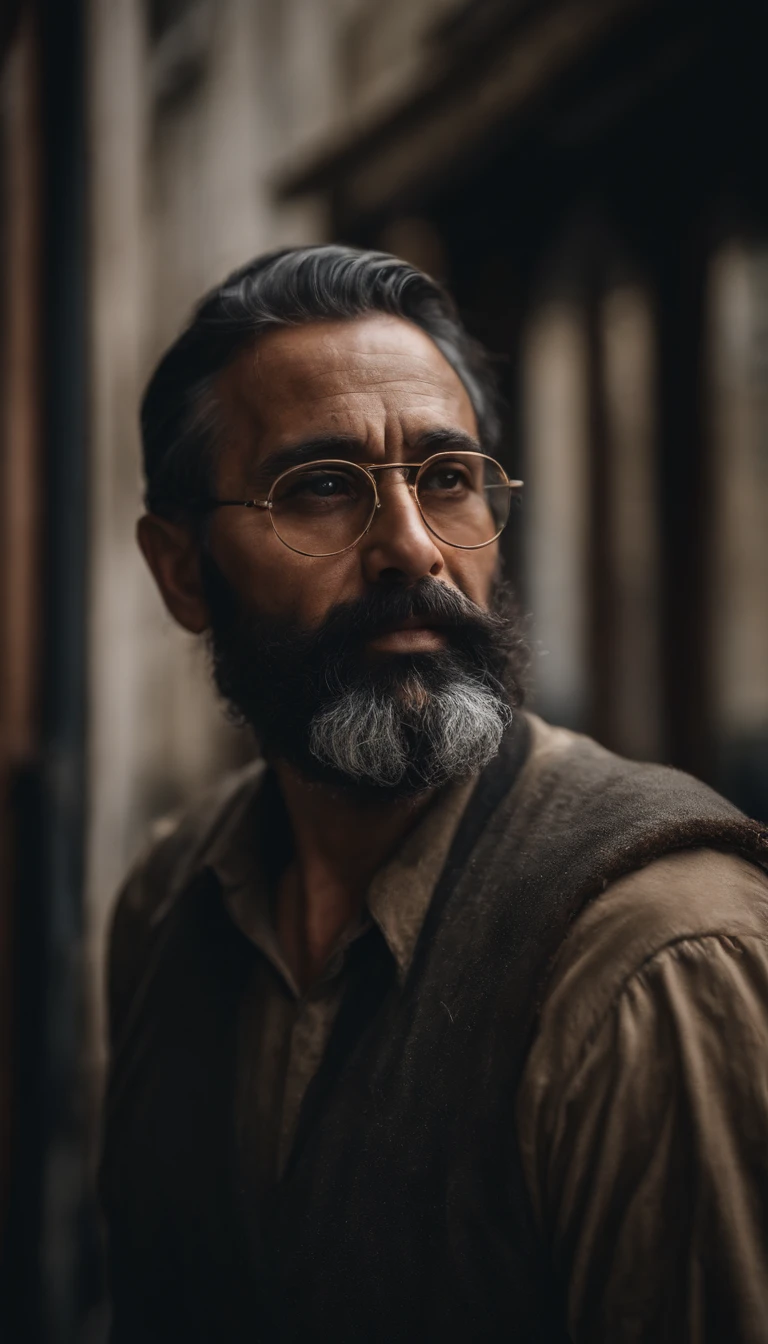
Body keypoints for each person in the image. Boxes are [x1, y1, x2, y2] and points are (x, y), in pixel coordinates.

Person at [99, 245, 768, 1344]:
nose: (412, 549)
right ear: (182, 572)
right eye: (320, 490)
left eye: (448, 479)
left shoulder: (660, 958)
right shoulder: (168, 906)